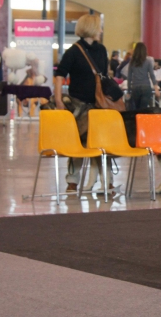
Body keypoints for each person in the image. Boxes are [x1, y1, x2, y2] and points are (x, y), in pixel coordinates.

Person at [54, 14, 111, 193]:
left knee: (102, 143)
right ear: (92, 28)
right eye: (99, 27)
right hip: (78, 104)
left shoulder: (101, 50)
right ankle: (73, 180)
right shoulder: (73, 51)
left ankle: (107, 180)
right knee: (77, 143)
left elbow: (105, 74)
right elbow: (60, 75)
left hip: (99, 105)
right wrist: (58, 99)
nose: (101, 30)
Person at [127, 43, 159, 109]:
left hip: (135, 87)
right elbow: (152, 75)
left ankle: (137, 118)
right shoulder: (148, 61)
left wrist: (128, 91)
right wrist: (156, 89)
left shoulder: (132, 62)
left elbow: (129, 77)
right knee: (143, 109)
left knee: (137, 109)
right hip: (146, 87)